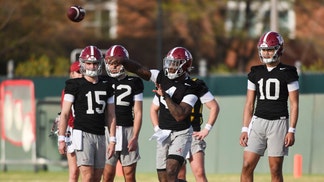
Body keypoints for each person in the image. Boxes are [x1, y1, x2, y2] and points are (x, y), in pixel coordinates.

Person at [108, 46, 199, 182]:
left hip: (181, 133)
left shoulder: (191, 86)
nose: (170, 67)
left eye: (175, 63)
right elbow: (140, 70)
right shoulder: (162, 76)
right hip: (164, 132)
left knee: (171, 169)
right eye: (169, 62)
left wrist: (165, 96)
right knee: (163, 179)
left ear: (184, 66)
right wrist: (123, 61)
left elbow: (180, 115)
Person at [239, 31, 299, 182]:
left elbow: (294, 104)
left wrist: (291, 130)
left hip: (278, 122)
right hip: (258, 122)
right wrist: (245, 128)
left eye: (270, 49)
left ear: (278, 50)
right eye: (264, 49)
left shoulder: (288, 72)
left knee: (275, 169)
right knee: (247, 165)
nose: (266, 53)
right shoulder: (255, 72)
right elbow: (249, 104)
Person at [58, 45, 116, 182]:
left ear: (100, 64)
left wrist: (112, 139)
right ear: (83, 63)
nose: (91, 67)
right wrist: (61, 138)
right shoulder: (74, 84)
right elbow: (65, 113)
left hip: (101, 134)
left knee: (96, 177)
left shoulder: (107, 84)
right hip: (82, 134)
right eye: (88, 63)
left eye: (94, 63)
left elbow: (111, 115)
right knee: (87, 176)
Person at [102, 45, 144, 182]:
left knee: (130, 176)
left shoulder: (134, 82)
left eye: (116, 63)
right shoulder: (102, 81)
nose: (112, 66)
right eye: (110, 63)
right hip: (108, 130)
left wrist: (135, 136)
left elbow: (137, 112)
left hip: (127, 129)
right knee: (107, 175)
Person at [177, 77, 220, 182]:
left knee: (199, 172)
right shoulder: (167, 83)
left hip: (193, 132)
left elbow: (214, 106)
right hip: (176, 132)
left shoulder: (196, 84)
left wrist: (206, 129)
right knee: (179, 174)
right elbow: (154, 109)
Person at [60, 61, 82, 182]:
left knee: (89, 171)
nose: (81, 75)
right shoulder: (68, 90)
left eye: (82, 72)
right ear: (72, 74)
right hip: (73, 130)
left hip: (89, 130)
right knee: (74, 172)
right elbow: (65, 114)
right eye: (78, 72)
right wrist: (62, 137)